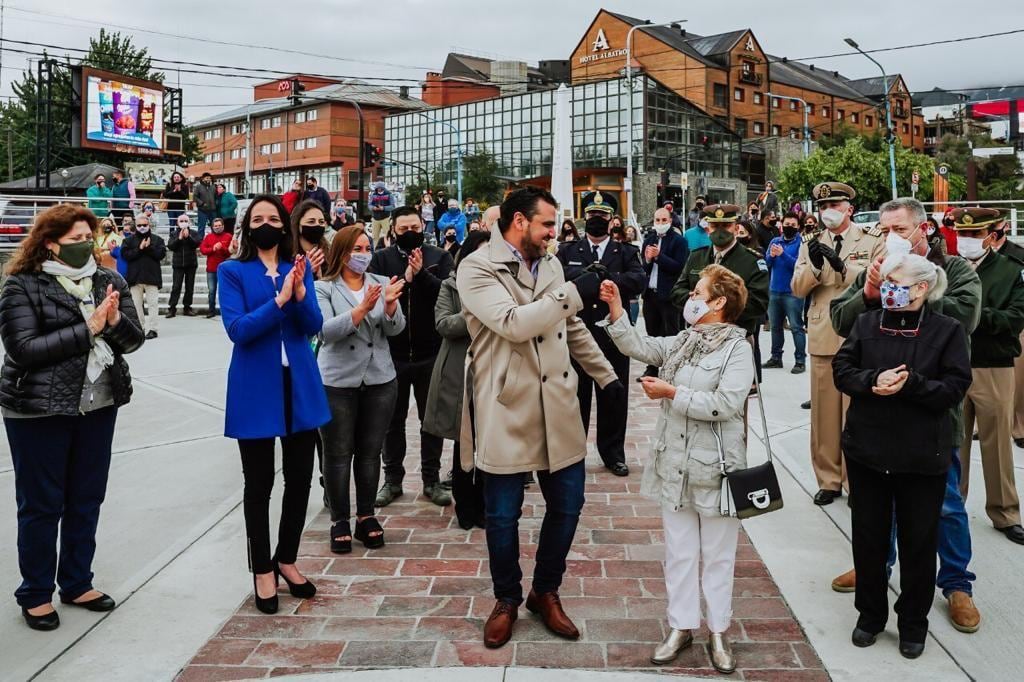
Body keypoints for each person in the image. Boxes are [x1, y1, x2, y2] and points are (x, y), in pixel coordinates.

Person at [457, 186, 618, 649]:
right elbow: (513, 323)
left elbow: (569, 326)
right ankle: (506, 598)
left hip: (559, 404)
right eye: (547, 224)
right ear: (520, 222)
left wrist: (606, 379)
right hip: (507, 405)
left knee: (567, 506)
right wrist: (572, 293)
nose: (555, 232)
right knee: (503, 516)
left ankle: (545, 591)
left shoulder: (549, 263)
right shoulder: (477, 267)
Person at [829, 196, 982, 633]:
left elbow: (965, 318)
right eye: (884, 230)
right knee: (877, 511)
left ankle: (956, 583)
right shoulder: (875, 270)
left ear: (923, 229)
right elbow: (842, 320)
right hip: (877, 421)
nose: (890, 237)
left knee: (945, 506)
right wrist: (869, 294)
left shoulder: (955, 271)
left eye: (899, 229)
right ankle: (876, 570)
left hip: (930, 417)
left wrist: (915, 287)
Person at [599, 265, 753, 673]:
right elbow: (644, 347)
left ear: (718, 302)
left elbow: (726, 403)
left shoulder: (738, 348)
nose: (691, 297)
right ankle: (681, 625)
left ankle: (718, 630)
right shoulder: (687, 340)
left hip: (717, 468)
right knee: (679, 552)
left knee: (718, 555)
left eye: (699, 291)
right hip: (675, 463)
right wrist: (617, 309)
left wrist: (672, 392)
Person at [0, 203, 145, 631]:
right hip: (38, 409)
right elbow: (23, 348)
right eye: (75, 240)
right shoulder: (22, 285)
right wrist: (90, 328)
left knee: (86, 497)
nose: (85, 246)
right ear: (49, 243)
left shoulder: (108, 280)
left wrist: (115, 321)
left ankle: (77, 581)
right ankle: (36, 593)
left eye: (89, 239)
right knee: (42, 504)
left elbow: (134, 341)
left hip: (97, 406)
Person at [218, 194, 329, 615]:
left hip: (299, 384)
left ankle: (287, 558)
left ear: (285, 226)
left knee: (300, 479)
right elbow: (239, 330)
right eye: (257, 218)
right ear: (247, 226)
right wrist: (279, 300)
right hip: (255, 388)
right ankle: (262, 568)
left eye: (273, 218)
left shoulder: (296, 267)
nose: (266, 224)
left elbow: (313, 326)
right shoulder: (233, 271)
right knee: (259, 484)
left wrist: (299, 293)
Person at [791, 182, 885, 506]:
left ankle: (855, 480)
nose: (827, 210)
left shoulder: (872, 239)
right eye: (822, 206)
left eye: (834, 204)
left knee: (857, 415)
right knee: (824, 416)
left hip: (861, 334)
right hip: (823, 334)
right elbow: (797, 287)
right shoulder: (811, 243)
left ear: (849, 208)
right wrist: (816, 267)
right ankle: (828, 479)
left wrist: (843, 267)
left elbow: (880, 276)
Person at [315, 225, 405, 554]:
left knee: (369, 454)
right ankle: (339, 518)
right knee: (337, 455)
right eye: (356, 248)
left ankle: (366, 515)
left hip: (380, 379)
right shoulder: (324, 287)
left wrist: (391, 308)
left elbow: (395, 330)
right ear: (341, 251)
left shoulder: (381, 284)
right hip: (338, 381)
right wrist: (362, 310)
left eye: (367, 247)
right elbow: (325, 331)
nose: (363, 254)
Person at [369, 206, 455, 508]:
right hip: (391, 354)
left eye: (414, 227)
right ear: (393, 230)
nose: (409, 233)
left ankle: (431, 479)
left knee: (430, 421)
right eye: (403, 229)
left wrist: (420, 277)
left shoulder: (439, 257)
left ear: (423, 226)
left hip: (431, 352)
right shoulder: (381, 258)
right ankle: (392, 479)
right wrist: (405, 277)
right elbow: (376, 297)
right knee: (391, 420)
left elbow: (447, 295)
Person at [557, 190, 645, 477]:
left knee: (613, 398)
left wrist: (607, 276)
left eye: (602, 215)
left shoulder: (627, 251)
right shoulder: (568, 251)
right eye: (592, 215)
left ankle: (613, 454)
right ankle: (573, 452)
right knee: (575, 399)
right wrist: (585, 277)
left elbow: (638, 281)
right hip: (577, 337)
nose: (597, 219)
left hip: (613, 337)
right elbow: (555, 280)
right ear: (585, 217)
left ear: (612, 220)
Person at [950, 207, 1024, 544]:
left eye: (975, 235)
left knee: (997, 445)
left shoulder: (1012, 270)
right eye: (963, 234)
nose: (967, 241)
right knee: (953, 442)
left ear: (992, 236)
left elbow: (1014, 319)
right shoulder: (947, 268)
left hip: (993, 365)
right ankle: (952, 505)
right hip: (952, 364)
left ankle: (1005, 512)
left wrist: (972, 314)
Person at [424, 230, 492, 531]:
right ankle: (466, 507)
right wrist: (477, 313)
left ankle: (488, 505)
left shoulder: (503, 284)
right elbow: (444, 324)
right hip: (459, 371)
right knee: (464, 440)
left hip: (494, 370)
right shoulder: (450, 285)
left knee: (490, 441)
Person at [670, 204, 769, 355]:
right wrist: (696, 301)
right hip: (699, 338)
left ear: (736, 229)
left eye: (726, 225)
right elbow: (677, 292)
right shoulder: (696, 257)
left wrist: (717, 308)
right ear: (708, 229)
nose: (720, 231)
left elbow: (759, 303)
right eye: (715, 226)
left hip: (736, 341)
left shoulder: (752, 261)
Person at [640, 208, 689, 379]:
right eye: (657, 220)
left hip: (669, 296)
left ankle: (673, 367)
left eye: (663, 220)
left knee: (672, 333)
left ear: (670, 221)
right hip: (650, 294)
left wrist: (659, 256)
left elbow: (679, 267)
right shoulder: (649, 239)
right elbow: (643, 268)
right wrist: (647, 260)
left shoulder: (678, 241)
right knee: (652, 333)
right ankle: (652, 367)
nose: (660, 223)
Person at [989, 216, 1024, 448]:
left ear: (1005, 227)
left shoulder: (1018, 255)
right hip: (984, 325)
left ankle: (1019, 425)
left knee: (1019, 376)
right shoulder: (966, 257)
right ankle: (979, 426)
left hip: (1012, 320)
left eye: (996, 227)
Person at [763, 212, 806, 373]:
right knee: (775, 326)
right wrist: (772, 256)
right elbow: (767, 262)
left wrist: (783, 254)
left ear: (798, 227)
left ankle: (800, 361)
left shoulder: (801, 242)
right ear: (781, 225)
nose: (789, 227)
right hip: (774, 290)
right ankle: (776, 357)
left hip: (793, 292)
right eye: (786, 224)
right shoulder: (775, 241)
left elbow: (799, 265)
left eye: (793, 225)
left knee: (796, 327)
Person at [121, 213, 166, 340]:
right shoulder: (128, 240)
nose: (142, 227)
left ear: (149, 225)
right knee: (136, 305)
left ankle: (153, 329)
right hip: (135, 278)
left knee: (153, 304)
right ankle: (140, 328)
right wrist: (139, 249)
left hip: (152, 277)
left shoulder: (157, 240)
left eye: (144, 225)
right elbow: (126, 255)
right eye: (139, 225)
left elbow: (160, 255)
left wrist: (149, 248)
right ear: (135, 225)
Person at [166, 214, 199, 318]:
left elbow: (196, 244)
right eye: (181, 221)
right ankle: (172, 308)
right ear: (177, 222)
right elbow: (171, 246)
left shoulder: (194, 233)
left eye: (185, 220)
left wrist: (188, 237)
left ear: (189, 222)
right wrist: (179, 239)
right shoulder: (173, 233)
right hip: (178, 264)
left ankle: (187, 307)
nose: (183, 222)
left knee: (190, 287)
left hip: (191, 264)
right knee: (176, 287)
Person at [200, 217, 234, 318]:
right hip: (211, 269)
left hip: (224, 269)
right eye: (215, 226)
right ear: (212, 227)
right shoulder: (208, 237)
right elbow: (203, 250)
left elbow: (230, 251)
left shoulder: (228, 236)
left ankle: (226, 310)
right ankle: (211, 310)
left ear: (223, 226)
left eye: (219, 226)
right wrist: (213, 249)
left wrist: (222, 248)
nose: (217, 227)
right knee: (211, 291)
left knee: (224, 291)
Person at [292, 200, 330, 280]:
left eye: (321, 222)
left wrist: (321, 279)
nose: (317, 225)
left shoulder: (329, 253)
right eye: (311, 221)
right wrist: (307, 273)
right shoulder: (287, 255)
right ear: (298, 224)